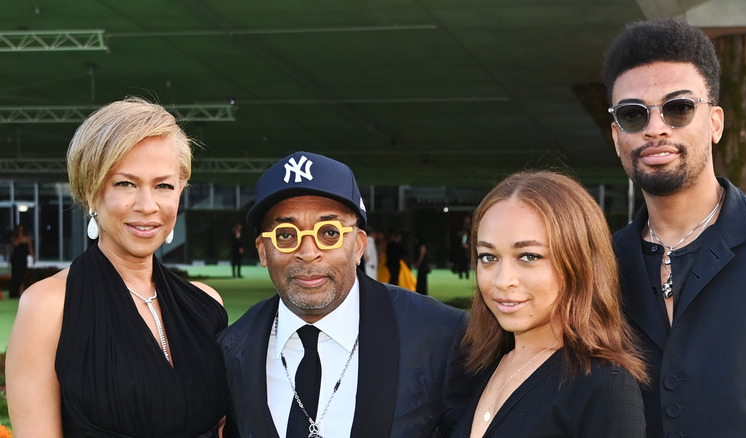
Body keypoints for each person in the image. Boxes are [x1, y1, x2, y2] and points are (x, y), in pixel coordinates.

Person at [5, 97, 229, 437]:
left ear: (180, 191)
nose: (147, 205)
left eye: (163, 186)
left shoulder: (206, 305)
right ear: (92, 192)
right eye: (126, 183)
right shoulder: (47, 306)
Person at [603, 18, 746, 437]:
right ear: (616, 137)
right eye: (633, 115)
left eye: (678, 108)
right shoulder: (601, 264)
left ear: (715, 123)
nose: (655, 127)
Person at [219, 151, 473, 437]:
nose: (308, 253)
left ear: (359, 246)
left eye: (329, 233)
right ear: (263, 251)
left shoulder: (442, 336)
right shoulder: (230, 348)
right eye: (286, 235)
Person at [452, 171, 647, 437]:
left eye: (529, 256)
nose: (502, 280)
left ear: (578, 263)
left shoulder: (605, 385)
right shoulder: (481, 366)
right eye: (488, 257)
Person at [9, 224, 34, 298]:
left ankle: (20, 291)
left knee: (22, 275)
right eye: (19, 230)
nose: (21, 231)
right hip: (15, 258)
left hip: (23, 259)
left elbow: (30, 248)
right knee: (15, 275)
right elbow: (16, 243)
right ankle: (13, 293)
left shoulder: (27, 238)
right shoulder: (15, 237)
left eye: (22, 230)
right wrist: (20, 237)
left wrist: (33, 257)